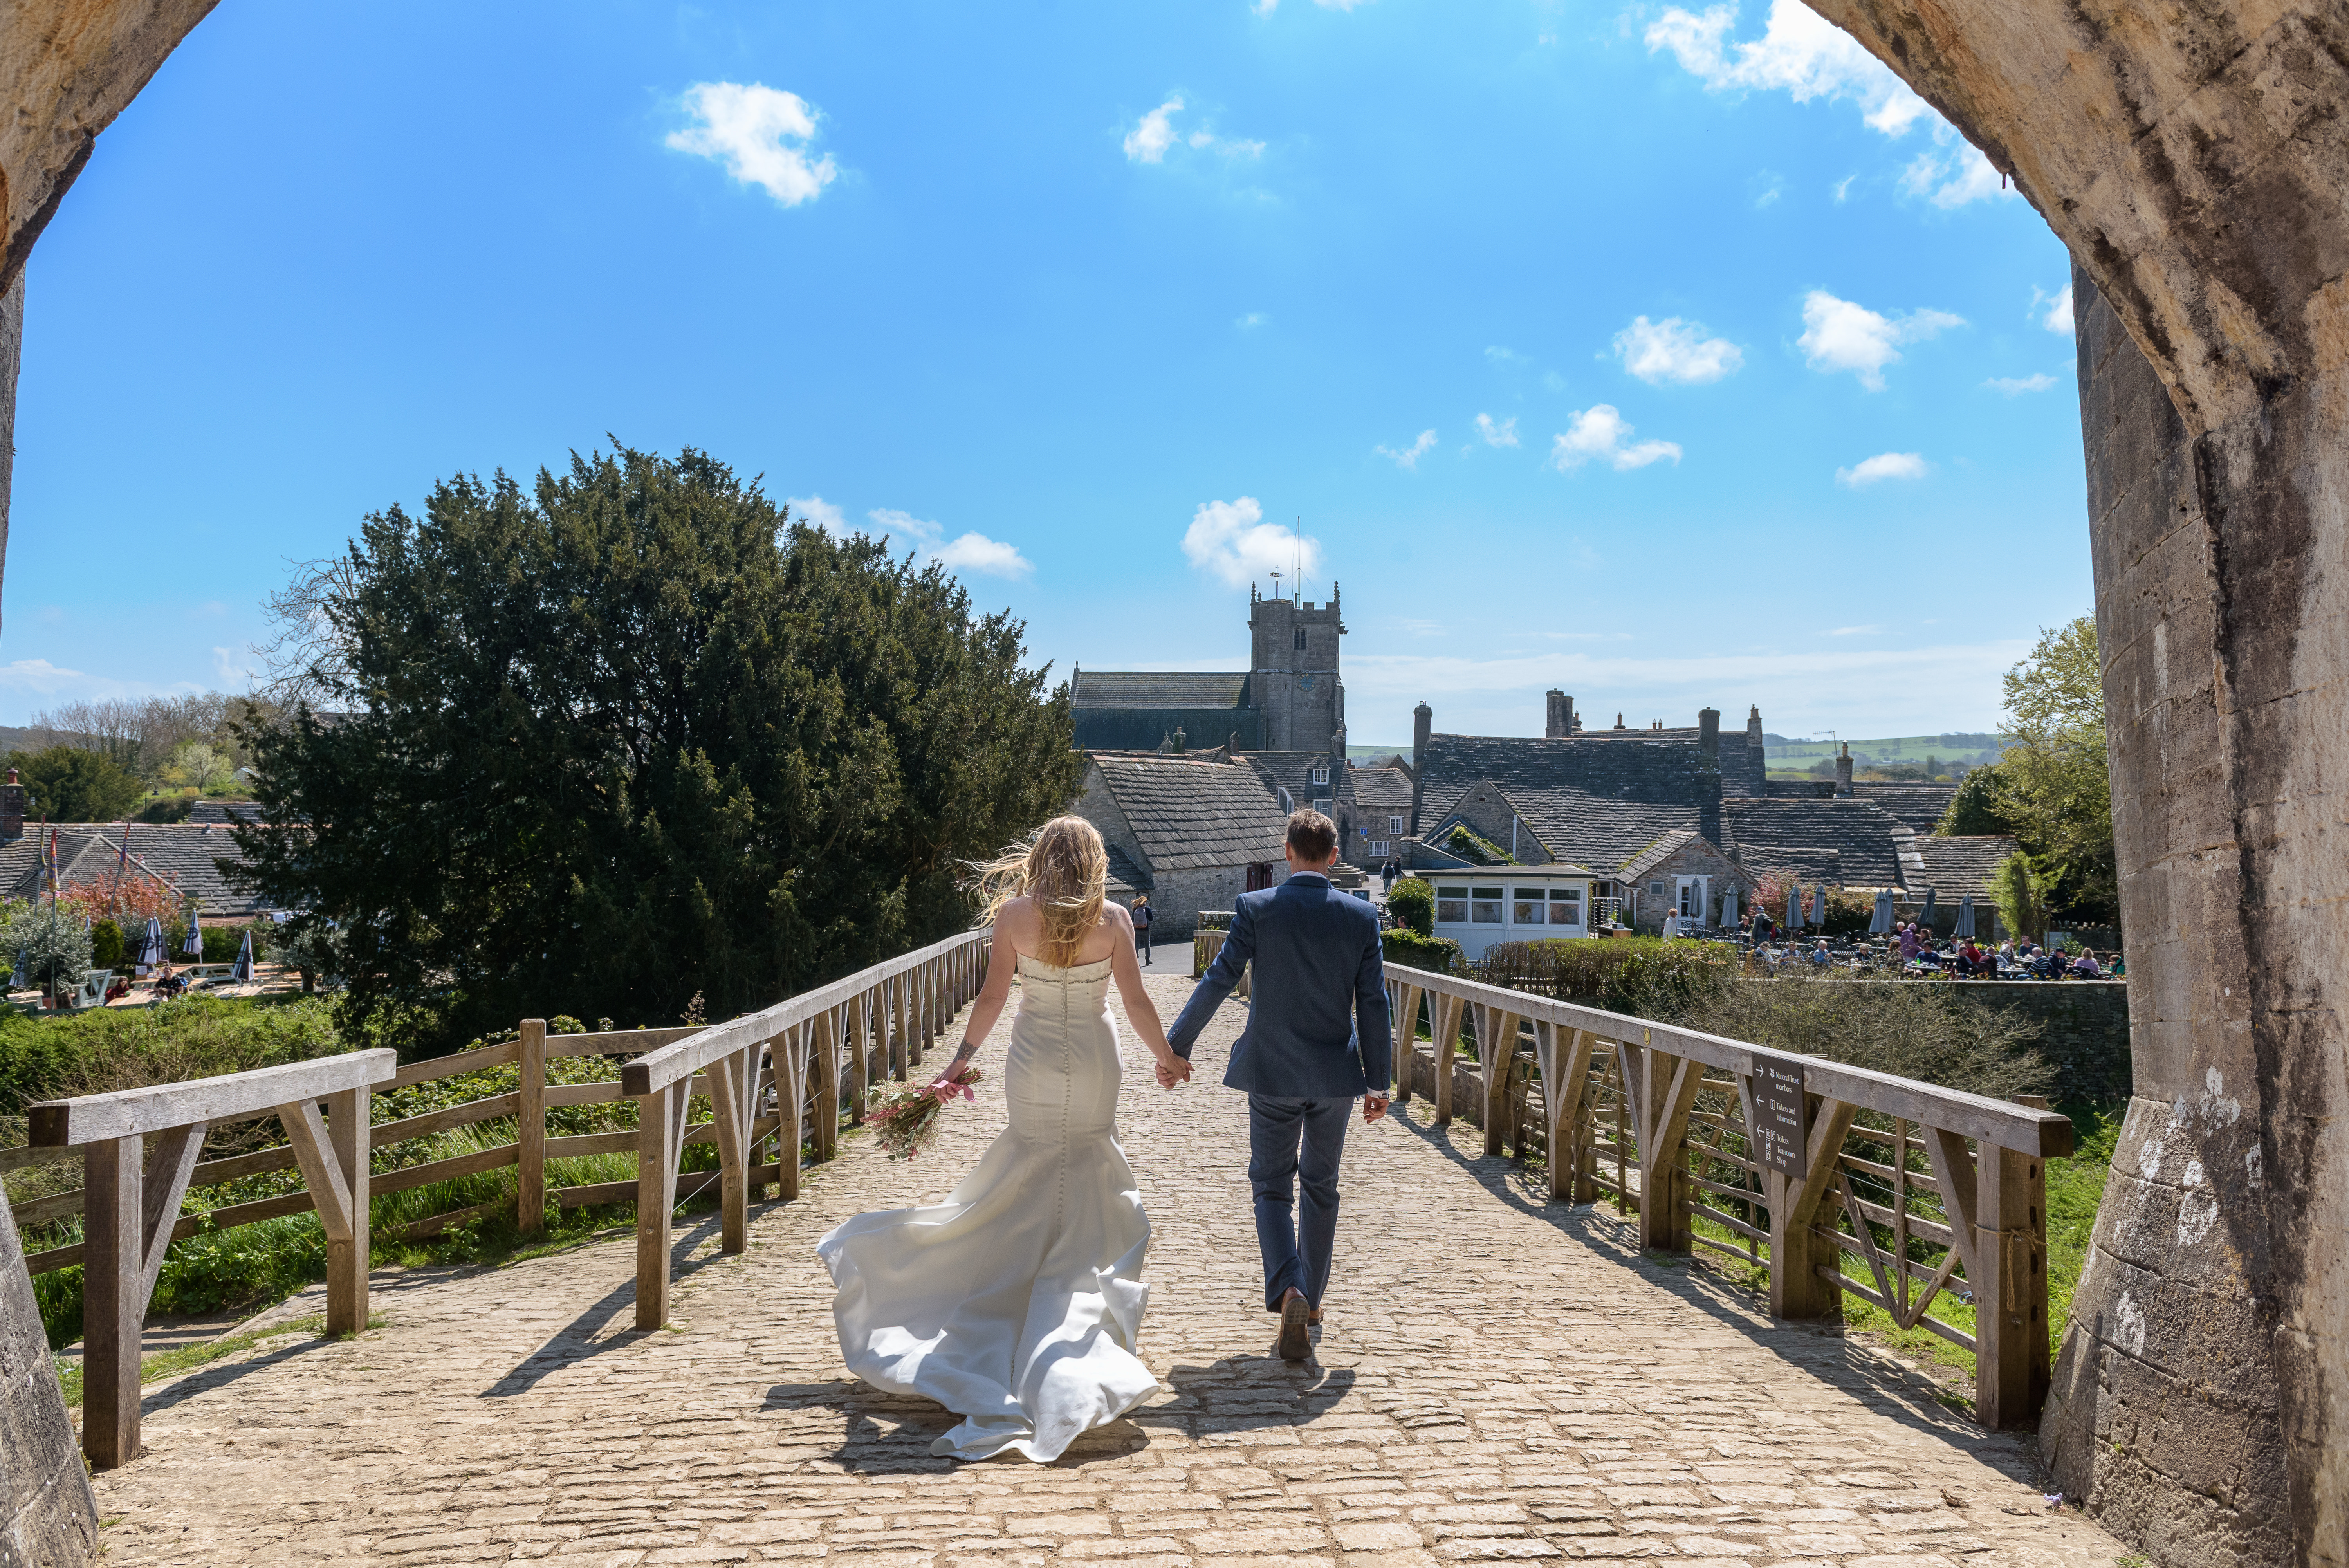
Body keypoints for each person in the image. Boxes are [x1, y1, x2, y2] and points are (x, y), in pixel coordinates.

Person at [817, 816, 1191, 1463]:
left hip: (1036, 1061)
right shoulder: (1116, 921)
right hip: (1098, 1062)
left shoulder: (1017, 916)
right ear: (1096, 861)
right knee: (1090, 1175)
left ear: (1043, 858)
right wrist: (1168, 1058)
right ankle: (1073, 1311)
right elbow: (1133, 1003)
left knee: (1030, 1173)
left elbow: (991, 999)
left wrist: (958, 1061)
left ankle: (1013, 1299)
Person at [1164, 808, 1391, 1363]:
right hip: (1336, 1077)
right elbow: (1375, 1003)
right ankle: (1311, 1303)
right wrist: (1379, 1082)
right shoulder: (1362, 918)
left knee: (1271, 1185)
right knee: (1321, 1187)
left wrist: (1177, 1047)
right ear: (1334, 858)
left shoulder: (1257, 909)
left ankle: (1288, 1286)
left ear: (1287, 852)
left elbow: (1219, 978)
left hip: (1272, 1074)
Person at [1131, 894, 1153, 967]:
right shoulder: (1147, 909)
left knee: (1137, 945)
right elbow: (1151, 919)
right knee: (1147, 944)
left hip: (1137, 930)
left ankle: (1136, 961)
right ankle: (1147, 960)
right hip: (1146, 929)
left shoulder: (1135, 909)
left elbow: (1133, 919)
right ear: (1145, 902)